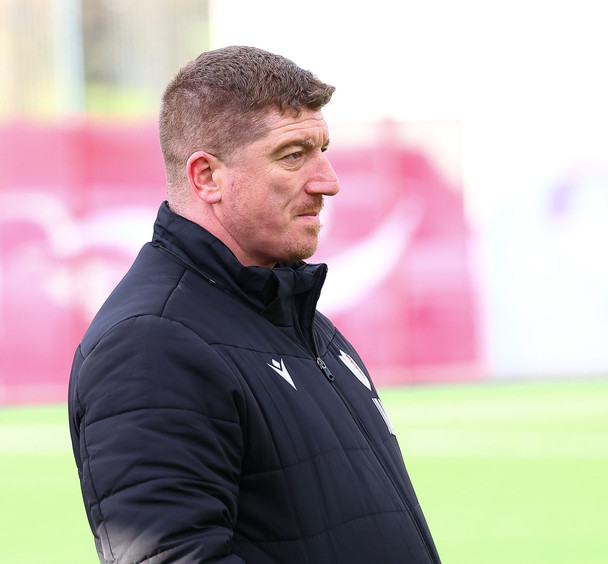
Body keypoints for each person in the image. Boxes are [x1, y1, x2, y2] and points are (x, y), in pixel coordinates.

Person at [68, 45, 441, 564]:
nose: (328, 182)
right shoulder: (150, 343)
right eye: (293, 155)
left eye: (323, 149)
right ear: (206, 177)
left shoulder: (298, 318)